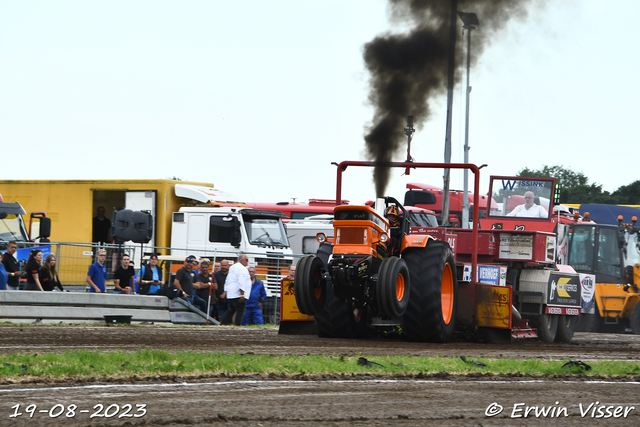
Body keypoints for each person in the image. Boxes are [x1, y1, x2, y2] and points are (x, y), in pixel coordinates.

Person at [221, 254, 252, 326]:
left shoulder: (232, 267)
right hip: (237, 293)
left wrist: (225, 290)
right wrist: (242, 294)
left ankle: (223, 323)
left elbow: (228, 279)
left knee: (230, 310)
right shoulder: (242, 269)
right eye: (246, 260)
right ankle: (238, 324)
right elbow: (241, 281)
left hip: (231, 293)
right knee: (240, 310)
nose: (247, 262)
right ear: (242, 260)